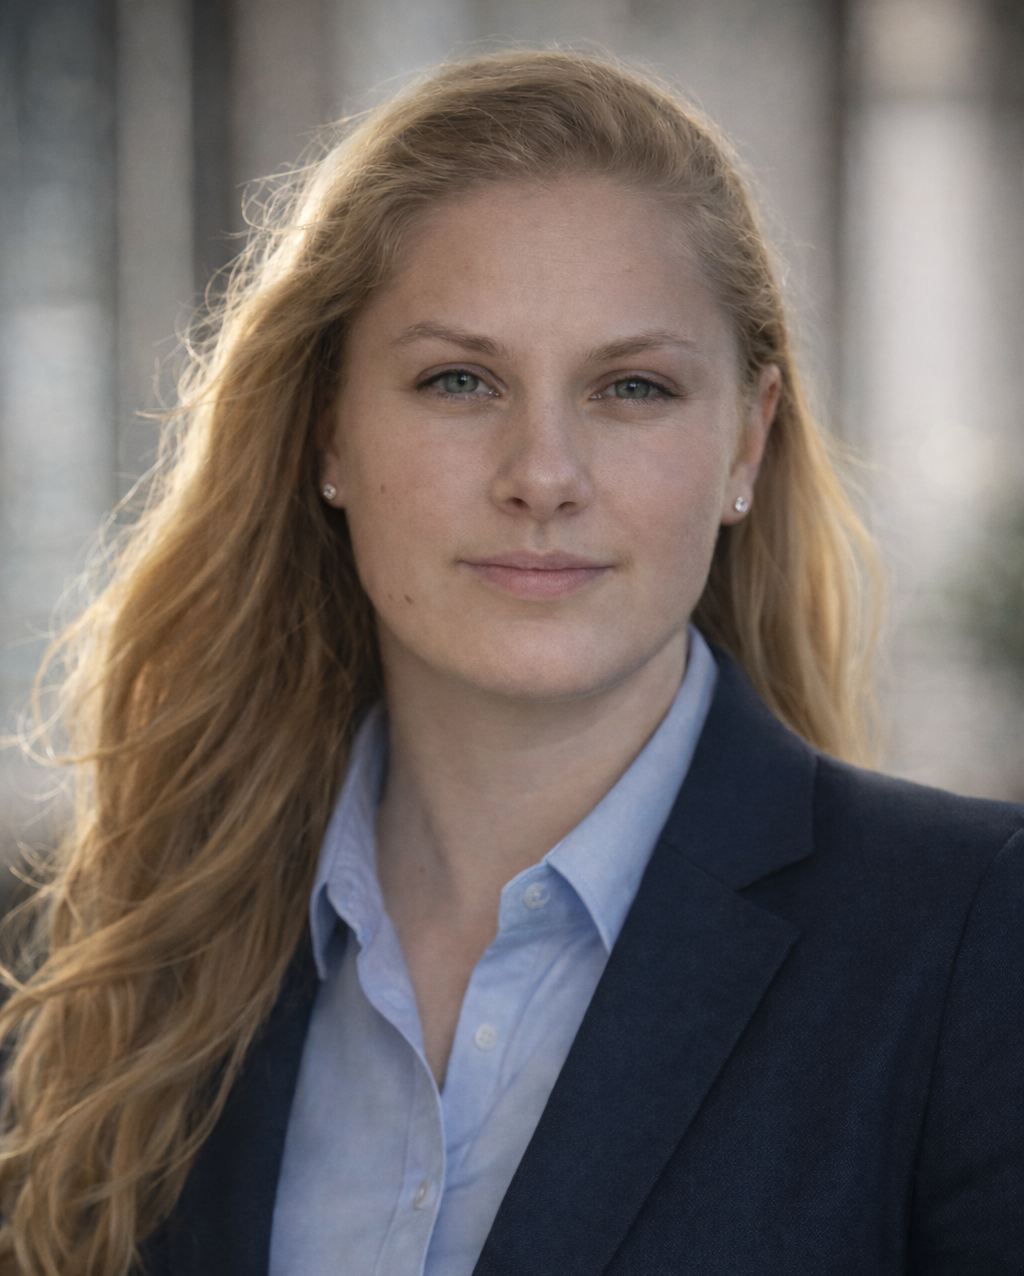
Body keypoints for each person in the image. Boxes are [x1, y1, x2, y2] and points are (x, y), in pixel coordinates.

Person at [0, 50, 1020, 1276]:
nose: (543, 474)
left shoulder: (973, 936)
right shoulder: (134, 952)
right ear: (325, 427)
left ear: (745, 442)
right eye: (459, 380)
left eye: (631, 387)